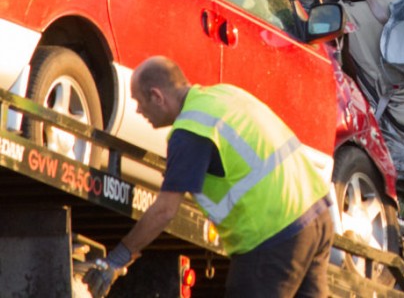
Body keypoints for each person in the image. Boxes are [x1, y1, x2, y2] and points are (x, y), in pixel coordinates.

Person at [84, 55, 333, 297]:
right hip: (318, 216)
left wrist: (118, 257)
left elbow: (164, 211)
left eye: (140, 102)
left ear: (157, 96)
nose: (138, 110)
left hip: (273, 234)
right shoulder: (223, 95)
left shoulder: (191, 129)